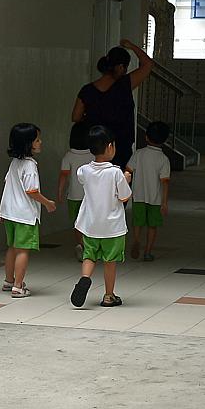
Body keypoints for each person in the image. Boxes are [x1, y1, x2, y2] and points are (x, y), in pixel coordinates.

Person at [70, 126, 133, 309]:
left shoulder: (83, 170)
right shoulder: (115, 172)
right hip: (112, 227)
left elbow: (85, 181)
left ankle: (84, 278)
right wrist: (126, 179)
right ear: (110, 146)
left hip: (90, 225)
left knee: (89, 256)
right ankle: (108, 296)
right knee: (109, 261)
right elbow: (124, 197)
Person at [73, 38, 154, 167]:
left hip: (95, 147)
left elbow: (76, 117)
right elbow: (148, 64)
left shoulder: (87, 90)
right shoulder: (125, 84)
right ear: (121, 67)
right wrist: (131, 46)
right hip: (121, 147)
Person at [0, 123, 56, 298]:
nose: (40, 142)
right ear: (27, 143)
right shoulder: (30, 165)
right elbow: (32, 191)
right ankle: (18, 286)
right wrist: (47, 203)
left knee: (12, 247)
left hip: (9, 213)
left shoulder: (14, 163)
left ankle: (9, 281)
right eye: (37, 140)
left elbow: (8, 185)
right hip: (24, 215)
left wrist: (1, 209)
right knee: (23, 250)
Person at [127, 121, 173, 262]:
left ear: (146, 137)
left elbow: (128, 171)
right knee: (152, 226)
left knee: (137, 222)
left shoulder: (138, 154)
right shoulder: (164, 159)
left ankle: (136, 239)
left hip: (138, 196)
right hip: (155, 199)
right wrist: (164, 202)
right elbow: (165, 182)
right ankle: (147, 252)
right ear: (164, 140)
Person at [57, 121, 95, 261]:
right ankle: (89, 247)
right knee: (90, 222)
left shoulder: (69, 156)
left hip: (73, 195)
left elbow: (63, 176)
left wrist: (60, 193)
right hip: (91, 197)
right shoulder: (93, 155)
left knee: (77, 223)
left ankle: (80, 244)